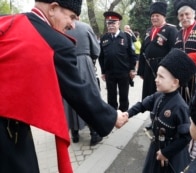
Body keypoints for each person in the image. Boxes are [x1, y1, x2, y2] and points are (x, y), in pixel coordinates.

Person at [0, 1, 128, 173]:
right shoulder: (57, 43)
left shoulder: (9, 21)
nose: (73, 24)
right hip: (7, 131)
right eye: (72, 17)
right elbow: (79, 91)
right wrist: (112, 117)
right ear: (52, 9)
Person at [125, 48, 196, 173]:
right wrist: (127, 114)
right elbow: (142, 105)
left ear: (175, 82)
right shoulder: (158, 95)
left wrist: (166, 153)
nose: (156, 79)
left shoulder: (180, 107)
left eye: (161, 77)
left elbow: (186, 137)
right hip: (156, 147)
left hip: (172, 155)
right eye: (157, 75)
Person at [137, 2, 178, 129]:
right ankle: (153, 119)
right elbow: (143, 51)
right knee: (150, 95)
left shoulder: (171, 30)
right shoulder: (149, 31)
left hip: (163, 70)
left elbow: (174, 51)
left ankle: (163, 121)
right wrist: (141, 71)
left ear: (163, 16)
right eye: (152, 15)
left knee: (162, 95)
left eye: (157, 15)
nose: (154, 18)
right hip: (149, 69)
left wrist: (169, 70)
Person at [63, 20, 103, 145]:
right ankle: (94, 133)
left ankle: (74, 133)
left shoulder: (60, 26)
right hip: (85, 64)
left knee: (70, 98)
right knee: (89, 96)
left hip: (66, 64)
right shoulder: (85, 27)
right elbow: (96, 50)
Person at [99, 11, 136, 111]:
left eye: (113, 23)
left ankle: (123, 112)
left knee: (124, 95)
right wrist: (103, 71)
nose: (110, 26)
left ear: (118, 23)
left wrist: (132, 69)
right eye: (108, 23)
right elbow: (101, 56)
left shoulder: (126, 37)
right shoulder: (104, 38)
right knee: (111, 95)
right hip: (109, 72)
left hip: (123, 72)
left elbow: (132, 54)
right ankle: (112, 113)